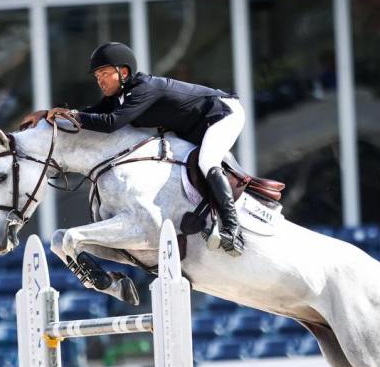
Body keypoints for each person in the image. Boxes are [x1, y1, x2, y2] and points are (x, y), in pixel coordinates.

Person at [24, 42, 246, 256]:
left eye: (104, 73)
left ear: (123, 72)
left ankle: (232, 229)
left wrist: (68, 114)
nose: (100, 80)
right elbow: (90, 113)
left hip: (222, 113)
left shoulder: (143, 89)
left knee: (207, 162)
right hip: (194, 127)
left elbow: (110, 123)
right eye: (97, 76)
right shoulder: (118, 96)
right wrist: (47, 115)